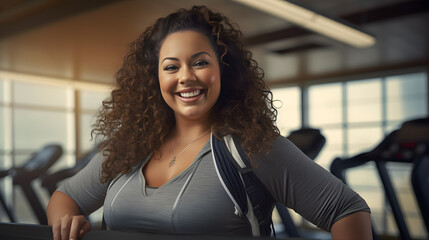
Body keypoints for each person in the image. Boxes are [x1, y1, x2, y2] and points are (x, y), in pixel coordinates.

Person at [46, 5, 372, 240]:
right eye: (171, 67)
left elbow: (347, 210)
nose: (186, 77)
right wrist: (67, 223)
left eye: (200, 62)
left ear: (222, 70)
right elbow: (65, 198)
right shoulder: (129, 148)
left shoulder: (251, 147)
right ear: (154, 78)